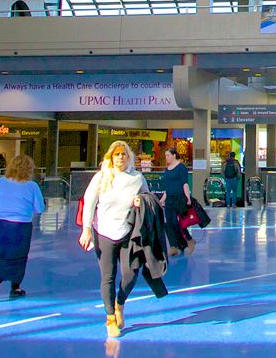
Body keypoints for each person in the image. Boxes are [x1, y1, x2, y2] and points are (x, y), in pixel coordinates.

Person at [78, 140, 150, 338]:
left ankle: (120, 302)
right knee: (108, 276)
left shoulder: (137, 178)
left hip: (128, 231)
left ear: (129, 157)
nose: (120, 157)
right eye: (116, 154)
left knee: (131, 272)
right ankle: (110, 318)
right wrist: (86, 230)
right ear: (110, 157)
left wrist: (140, 201)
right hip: (104, 232)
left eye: (123, 154)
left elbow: (147, 198)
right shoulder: (101, 178)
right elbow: (89, 202)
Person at [0, 153, 44, 301]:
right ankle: (15, 287)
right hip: (20, 225)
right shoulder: (32, 186)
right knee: (18, 256)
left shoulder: (0, 182)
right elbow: (40, 208)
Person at [158, 147, 195, 255]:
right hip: (169, 199)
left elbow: (185, 184)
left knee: (178, 222)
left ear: (174, 155)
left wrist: (188, 198)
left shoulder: (181, 167)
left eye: (168, 155)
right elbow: (167, 188)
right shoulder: (167, 169)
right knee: (168, 223)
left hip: (179, 198)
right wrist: (161, 200)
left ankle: (188, 239)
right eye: (165, 156)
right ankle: (174, 245)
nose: (166, 158)